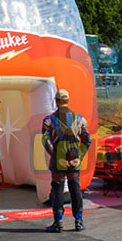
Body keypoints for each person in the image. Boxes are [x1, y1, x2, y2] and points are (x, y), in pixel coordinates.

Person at [41, 88, 92, 232]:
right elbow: (87, 140)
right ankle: (79, 221)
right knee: (75, 189)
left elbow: (44, 140)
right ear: (68, 101)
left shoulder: (49, 120)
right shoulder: (80, 119)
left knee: (57, 189)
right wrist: (79, 157)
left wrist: (55, 155)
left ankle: (58, 222)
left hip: (59, 161)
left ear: (56, 102)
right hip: (74, 160)